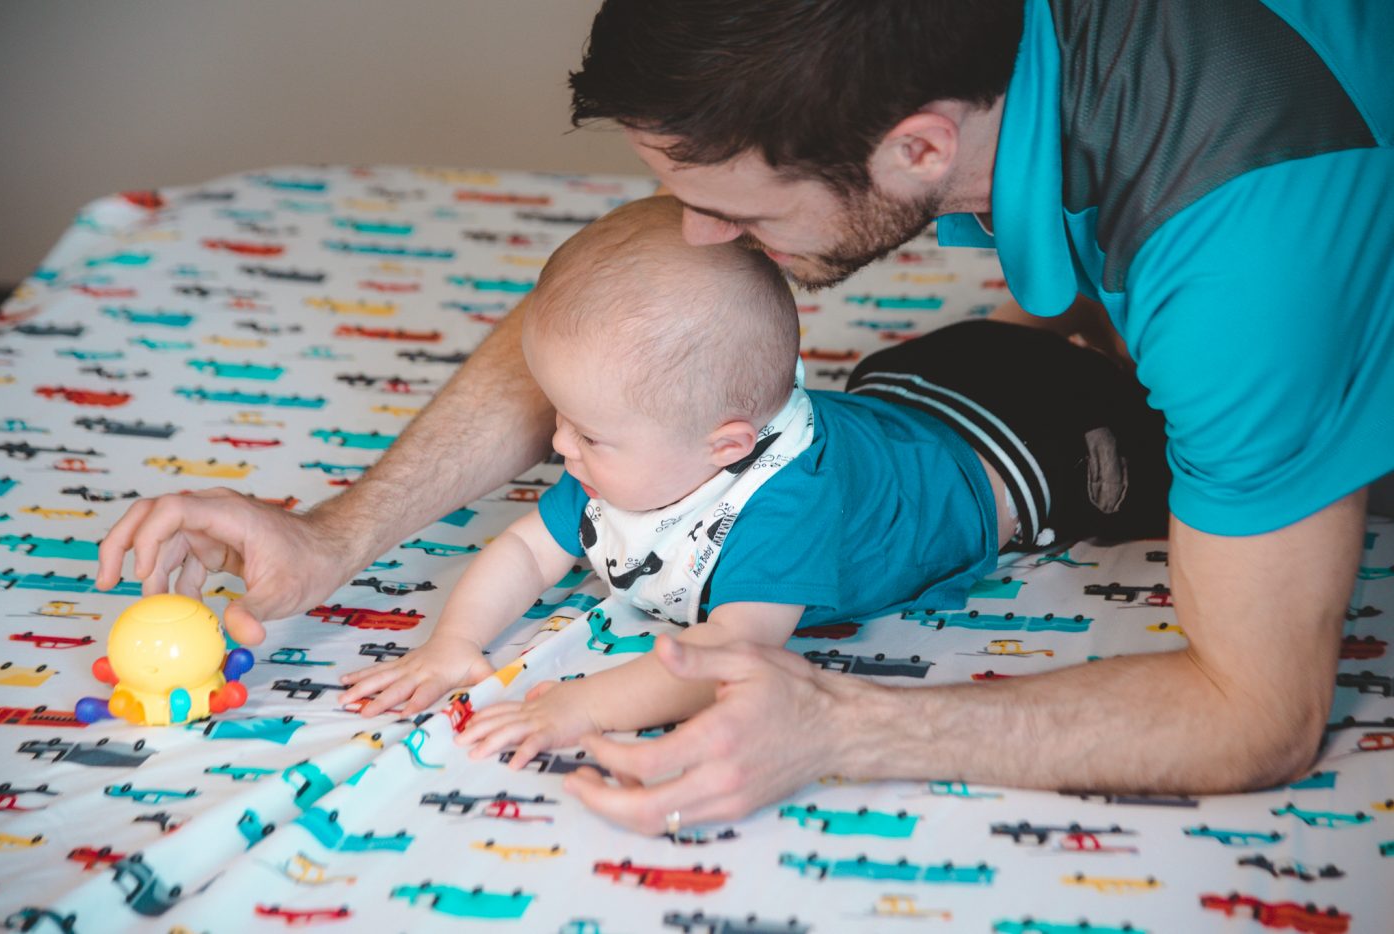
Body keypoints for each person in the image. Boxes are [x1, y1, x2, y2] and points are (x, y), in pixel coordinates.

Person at [96, 0, 1392, 835]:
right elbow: (623, 310)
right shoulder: (930, 62)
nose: (698, 239)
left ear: (922, 149)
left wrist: (847, 723)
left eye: (743, 214)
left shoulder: (1245, 260)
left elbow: (1256, 710)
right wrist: (336, 537)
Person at [335, 196, 1167, 770]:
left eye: (586, 432)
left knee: (1151, 436)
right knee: (992, 350)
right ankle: (1044, 322)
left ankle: (1096, 316)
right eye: (561, 417)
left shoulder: (781, 507)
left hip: (1019, 447)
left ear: (726, 446)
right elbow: (524, 549)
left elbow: (721, 657)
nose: (558, 447)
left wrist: (576, 708)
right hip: (919, 381)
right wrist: (455, 644)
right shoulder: (635, 457)